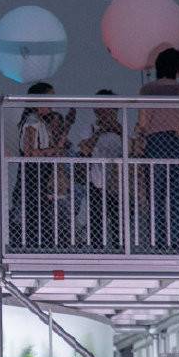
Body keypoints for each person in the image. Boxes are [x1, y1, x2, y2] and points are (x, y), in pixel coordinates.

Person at [132, 47, 179, 250]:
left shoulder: (148, 90)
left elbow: (143, 122)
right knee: (177, 195)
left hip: (156, 143)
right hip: (178, 144)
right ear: (178, 69)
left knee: (155, 195)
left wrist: (139, 135)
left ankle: (158, 241)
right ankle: (177, 241)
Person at [8, 82, 76, 248]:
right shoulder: (32, 122)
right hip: (33, 172)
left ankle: (40, 242)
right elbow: (30, 151)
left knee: (41, 209)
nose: (52, 103)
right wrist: (52, 151)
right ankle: (33, 243)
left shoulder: (41, 121)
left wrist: (67, 125)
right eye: (49, 98)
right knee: (34, 209)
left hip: (40, 172)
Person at [76, 90, 122, 248]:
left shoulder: (122, 130)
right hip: (96, 179)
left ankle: (119, 246)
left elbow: (131, 149)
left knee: (117, 215)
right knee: (96, 214)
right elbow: (85, 149)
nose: (106, 112)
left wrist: (118, 130)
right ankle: (97, 246)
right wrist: (100, 131)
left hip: (117, 181)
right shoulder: (89, 128)